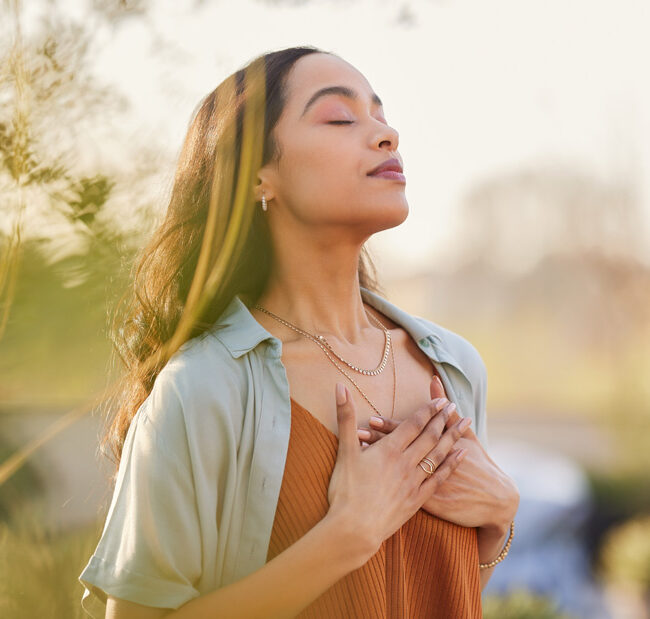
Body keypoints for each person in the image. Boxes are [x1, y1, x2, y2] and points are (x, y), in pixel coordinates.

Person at [78, 45, 519, 618]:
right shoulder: (204, 388)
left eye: (381, 116)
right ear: (260, 176)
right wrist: (346, 537)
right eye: (340, 118)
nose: (387, 135)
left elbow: (440, 590)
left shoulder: (456, 367)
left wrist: (499, 521)